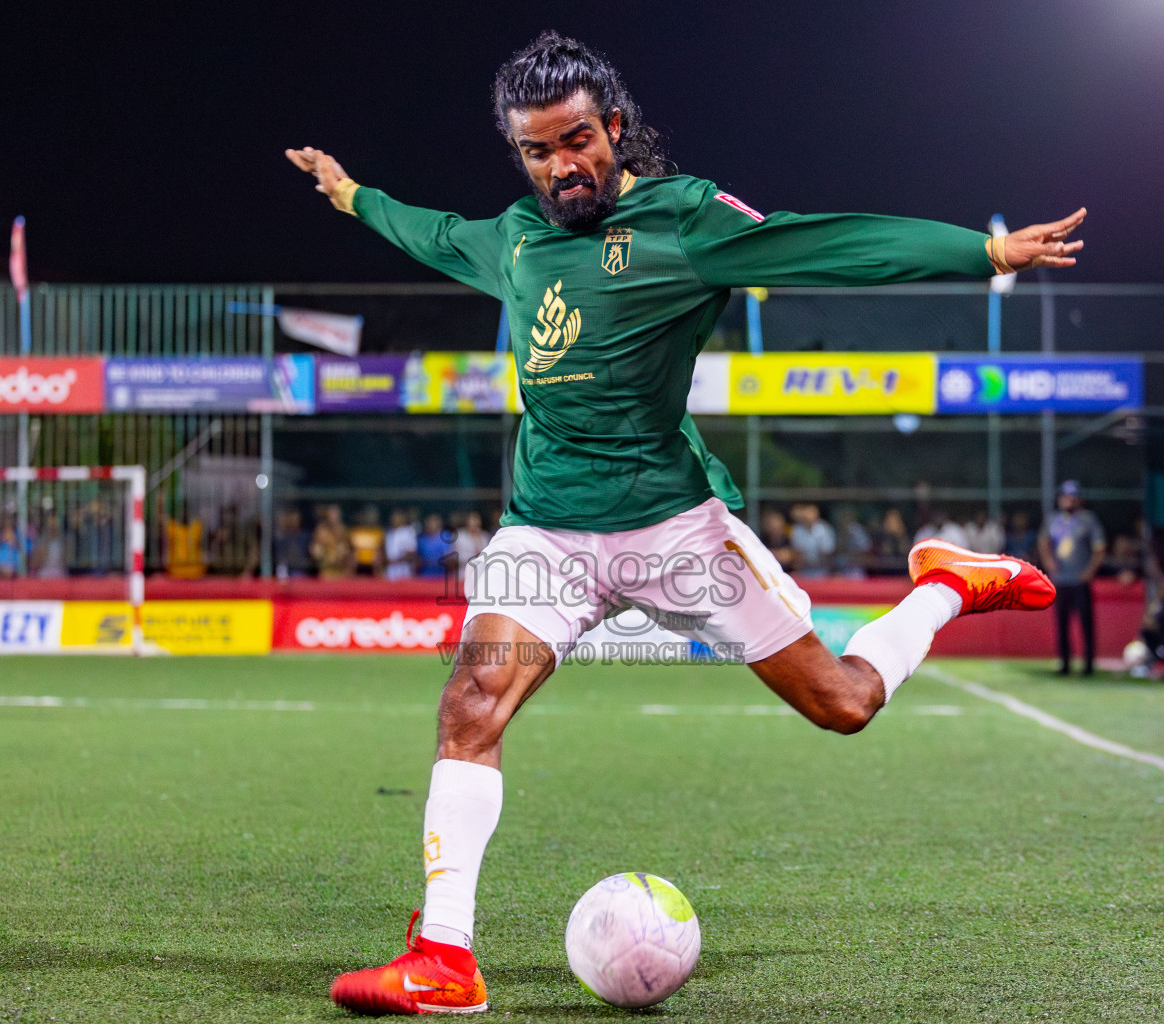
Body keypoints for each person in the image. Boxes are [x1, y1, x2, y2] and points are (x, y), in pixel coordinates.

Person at [289, 32, 1078, 1014]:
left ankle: (944, 584)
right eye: (537, 152)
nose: (560, 166)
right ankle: (445, 956)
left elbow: (822, 244)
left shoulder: (687, 222)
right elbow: (432, 231)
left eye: (575, 140)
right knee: (469, 707)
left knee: (842, 701)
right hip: (547, 534)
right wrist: (354, 195)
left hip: (675, 533)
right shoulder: (516, 239)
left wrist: (983, 251)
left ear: (613, 128)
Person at [1038, 480, 1107, 676]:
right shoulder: (1053, 519)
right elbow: (1043, 540)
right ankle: (1065, 663)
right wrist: (1048, 563)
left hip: (1079, 579)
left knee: (1086, 623)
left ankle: (1088, 663)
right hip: (1061, 579)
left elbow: (1099, 547)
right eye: (1065, 496)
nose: (1068, 500)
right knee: (1061, 623)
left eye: (1072, 496)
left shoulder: (1088, 520)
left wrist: (1090, 571)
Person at [788, 503, 836, 577]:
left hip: (823, 571)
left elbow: (827, 553)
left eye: (811, 513)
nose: (808, 516)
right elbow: (797, 553)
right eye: (807, 513)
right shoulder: (797, 530)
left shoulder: (825, 529)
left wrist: (814, 563)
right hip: (803, 571)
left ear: (816, 515)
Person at [384, 508, 420, 581]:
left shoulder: (408, 532)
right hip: (390, 571)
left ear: (402, 518)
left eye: (397, 517)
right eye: (393, 517)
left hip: (403, 570)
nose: (395, 519)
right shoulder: (389, 533)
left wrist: (395, 561)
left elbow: (411, 554)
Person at [416, 513, 453, 578]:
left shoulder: (446, 536)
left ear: (439, 523)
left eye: (434, 521)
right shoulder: (421, 539)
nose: (431, 524)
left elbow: (449, 558)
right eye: (429, 522)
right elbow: (417, 560)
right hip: (425, 576)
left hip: (442, 576)